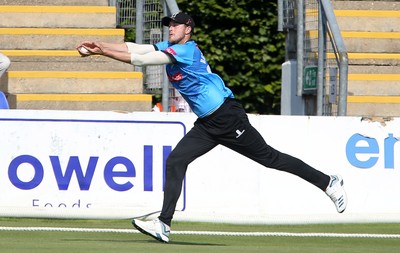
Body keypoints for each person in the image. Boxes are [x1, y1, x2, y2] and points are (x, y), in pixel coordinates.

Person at [76, 12, 347, 243]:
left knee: (269, 158)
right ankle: (163, 223)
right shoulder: (171, 47)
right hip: (208, 123)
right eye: (168, 24)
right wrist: (101, 44)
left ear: (187, 30)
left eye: (175, 25)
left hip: (227, 118)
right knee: (175, 161)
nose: (170, 27)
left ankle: (328, 182)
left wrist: (101, 52)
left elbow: (140, 61)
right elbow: (137, 49)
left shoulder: (185, 50)